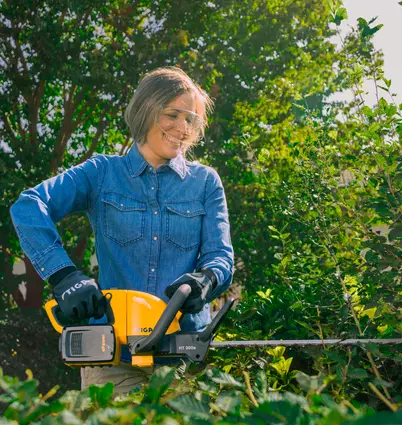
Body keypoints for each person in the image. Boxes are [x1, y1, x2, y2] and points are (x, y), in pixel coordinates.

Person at [10, 67, 234, 394]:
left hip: (180, 359)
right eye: (173, 114)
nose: (183, 128)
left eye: (191, 120)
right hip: (112, 357)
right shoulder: (102, 173)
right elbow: (29, 205)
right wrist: (63, 275)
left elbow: (220, 258)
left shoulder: (205, 183)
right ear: (147, 109)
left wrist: (206, 280)